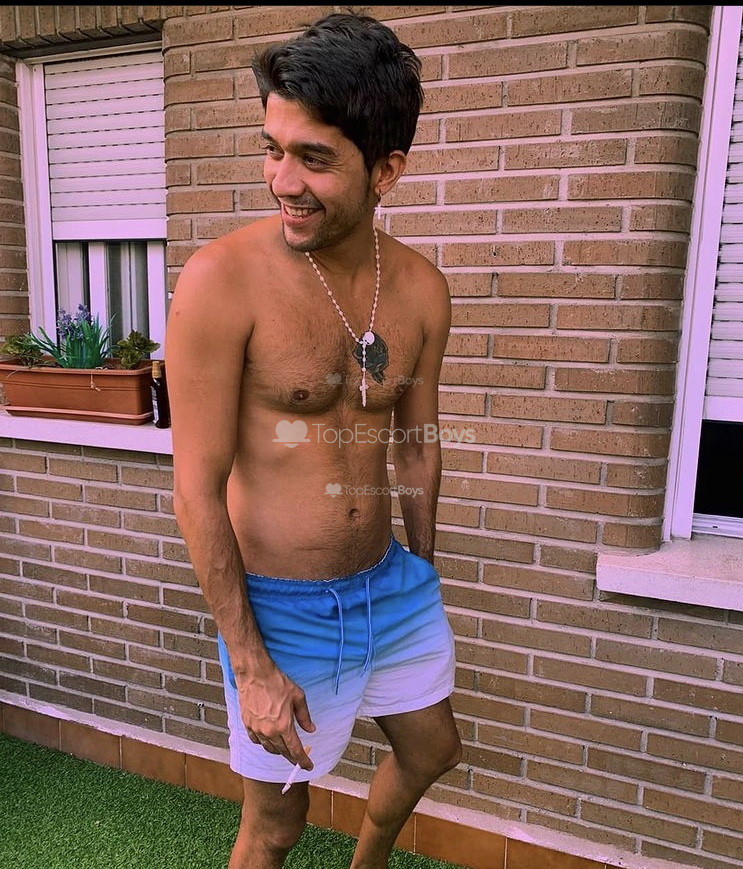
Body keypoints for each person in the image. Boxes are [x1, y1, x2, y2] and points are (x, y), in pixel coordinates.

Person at [165, 11, 461, 869]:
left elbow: (417, 442)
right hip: (279, 609)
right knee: (276, 826)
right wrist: (249, 663)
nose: (282, 181)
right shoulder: (221, 281)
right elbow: (195, 487)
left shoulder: (422, 290)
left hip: (390, 584)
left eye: (314, 159)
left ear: (386, 170)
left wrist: (424, 567)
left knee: (433, 748)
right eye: (273, 149)